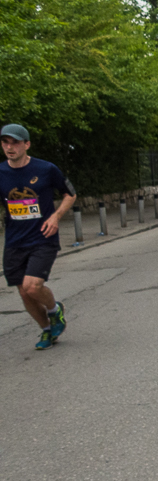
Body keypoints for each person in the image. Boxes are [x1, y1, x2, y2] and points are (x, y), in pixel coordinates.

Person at [0, 123, 75, 350]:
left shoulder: (46, 169)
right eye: (5, 142)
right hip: (14, 241)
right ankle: (46, 331)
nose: (9, 147)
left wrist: (55, 217)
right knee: (24, 292)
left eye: (15, 142)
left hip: (43, 237)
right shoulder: (1, 172)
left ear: (27, 144)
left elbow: (70, 194)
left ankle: (55, 311)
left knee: (32, 287)